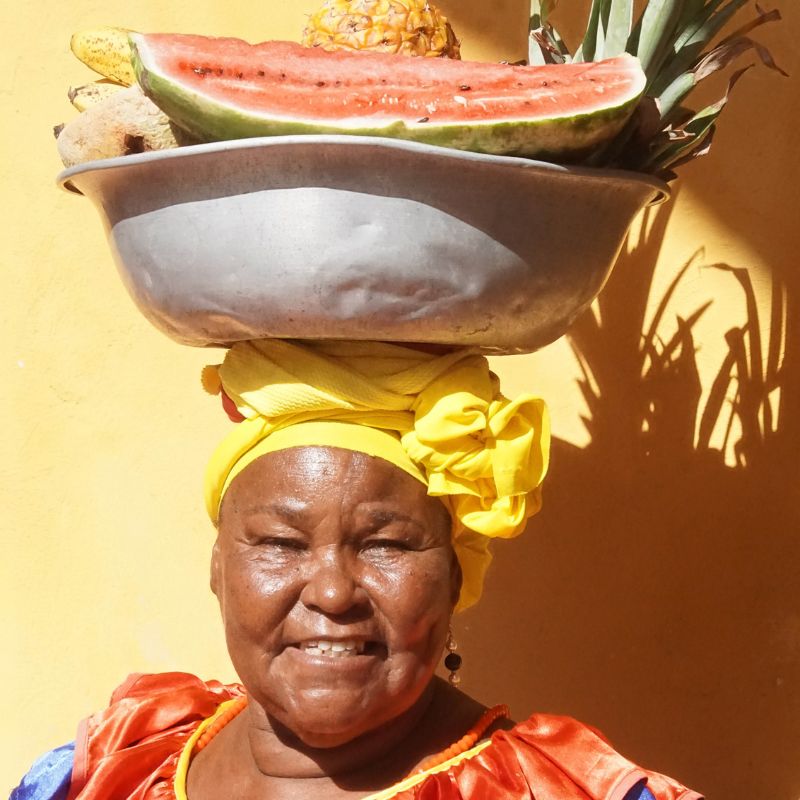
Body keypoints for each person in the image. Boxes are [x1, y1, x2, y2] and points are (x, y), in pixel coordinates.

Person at [11, 340, 702, 800]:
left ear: (456, 576)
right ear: (219, 567)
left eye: (388, 545)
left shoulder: (550, 788)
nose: (334, 592)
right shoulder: (114, 766)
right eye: (280, 543)